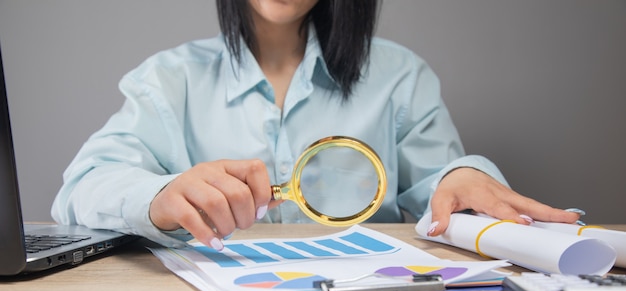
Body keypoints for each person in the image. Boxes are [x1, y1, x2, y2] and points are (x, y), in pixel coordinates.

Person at [51, 0, 579, 250]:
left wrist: (456, 177)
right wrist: (161, 196)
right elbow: (82, 185)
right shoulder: (168, 79)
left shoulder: (399, 76)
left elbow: (436, 186)